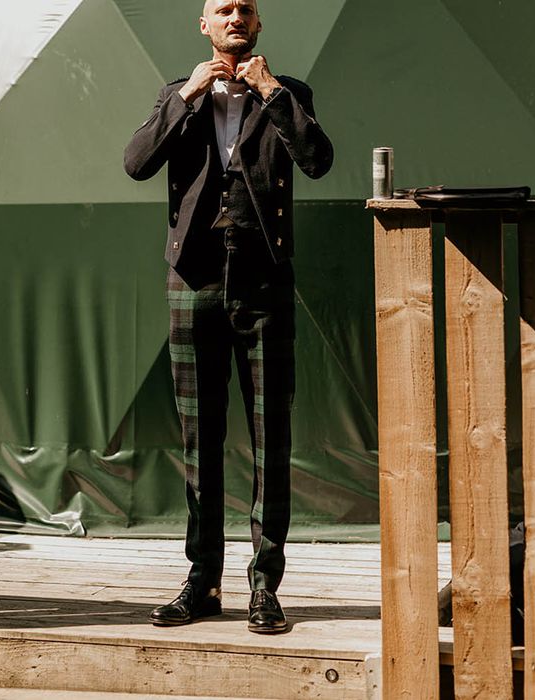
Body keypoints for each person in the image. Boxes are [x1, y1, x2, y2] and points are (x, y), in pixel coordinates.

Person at [124, 0, 333, 634]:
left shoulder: (288, 92)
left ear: (258, 24)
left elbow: (318, 159)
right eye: (223, 9)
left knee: (271, 437)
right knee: (199, 439)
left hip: (264, 283)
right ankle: (202, 580)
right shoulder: (176, 93)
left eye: (246, 8)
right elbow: (136, 163)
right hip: (194, 281)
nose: (235, 16)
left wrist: (268, 90)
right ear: (205, 25)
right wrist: (189, 92)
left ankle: (265, 585)